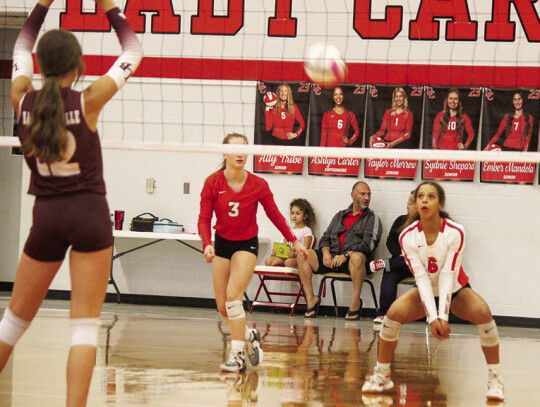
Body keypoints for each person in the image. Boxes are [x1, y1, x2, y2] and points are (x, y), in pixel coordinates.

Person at [3, 0, 142, 406]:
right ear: (77, 66)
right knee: (83, 327)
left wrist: (42, 5)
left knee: (12, 322)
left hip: (45, 215)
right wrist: (110, 7)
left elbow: (18, 50)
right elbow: (133, 51)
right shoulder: (88, 100)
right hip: (88, 215)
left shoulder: (21, 100)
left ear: (40, 65)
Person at [362, 181, 505, 402]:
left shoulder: (455, 232)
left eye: (430, 196)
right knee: (392, 316)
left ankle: (495, 380)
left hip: (456, 290)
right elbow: (421, 278)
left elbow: (448, 275)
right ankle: (382, 374)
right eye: (421, 197)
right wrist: (433, 317)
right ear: (416, 203)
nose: (425, 200)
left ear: (440, 203)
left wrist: (443, 316)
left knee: (484, 314)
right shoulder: (407, 236)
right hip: (425, 290)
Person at [197, 133, 308, 372]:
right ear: (224, 153)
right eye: (234, 149)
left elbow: (275, 215)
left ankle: (237, 355)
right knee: (222, 307)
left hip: (246, 245)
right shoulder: (212, 183)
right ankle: (249, 336)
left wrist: (294, 242)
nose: (240, 154)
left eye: (244, 149)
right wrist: (207, 243)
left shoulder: (258, 184)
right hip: (222, 244)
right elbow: (204, 219)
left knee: (233, 297)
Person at [296, 181, 382, 320]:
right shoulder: (340, 215)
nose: (367, 198)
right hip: (333, 259)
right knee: (303, 254)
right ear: (352, 195)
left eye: (369, 194)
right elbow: (326, 237)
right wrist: (325, 253)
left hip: (354, 263)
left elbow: (369, 244)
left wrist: (347, 255)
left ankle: (355, 302)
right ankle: (311, 298)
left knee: (357, 257)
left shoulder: (372, 218)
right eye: (362, 194)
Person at [370, 191, 416, 329]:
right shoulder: (401, 220)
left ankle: (386, 263)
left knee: (392, 265)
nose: (408, 205)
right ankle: (385, 314)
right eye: (408, 201)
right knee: (389, 273)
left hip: (422, 265)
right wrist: (400, 254)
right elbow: (391, 241)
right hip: (401, 263)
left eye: (412, 202)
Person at [265, 198, 316, 268]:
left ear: (305, 216)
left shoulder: (306, 230)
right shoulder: (288, 230)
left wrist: (294, 254)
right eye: (292, 213)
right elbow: (284, 246)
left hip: (296, 257)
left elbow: (306, 250)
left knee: (288, 263)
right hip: (286, 257)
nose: (294, 216)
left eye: (297, 213)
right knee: (268, 261)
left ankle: (287, 267)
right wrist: (276, 252)